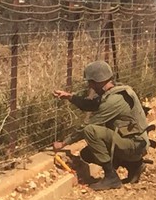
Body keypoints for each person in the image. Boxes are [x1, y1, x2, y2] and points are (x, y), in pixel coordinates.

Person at [53, 60, 150, 191]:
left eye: (90, 82)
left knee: (90, 131)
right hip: (136, 142)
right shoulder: (116, 92)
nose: (89, 86)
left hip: (134, 145)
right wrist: (70, 97)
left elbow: (88, 125)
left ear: (96, 82)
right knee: (87, 154)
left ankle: (111, 177)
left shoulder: (114, 100)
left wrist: (64, 143)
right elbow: (92, 104)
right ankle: (134, 165)